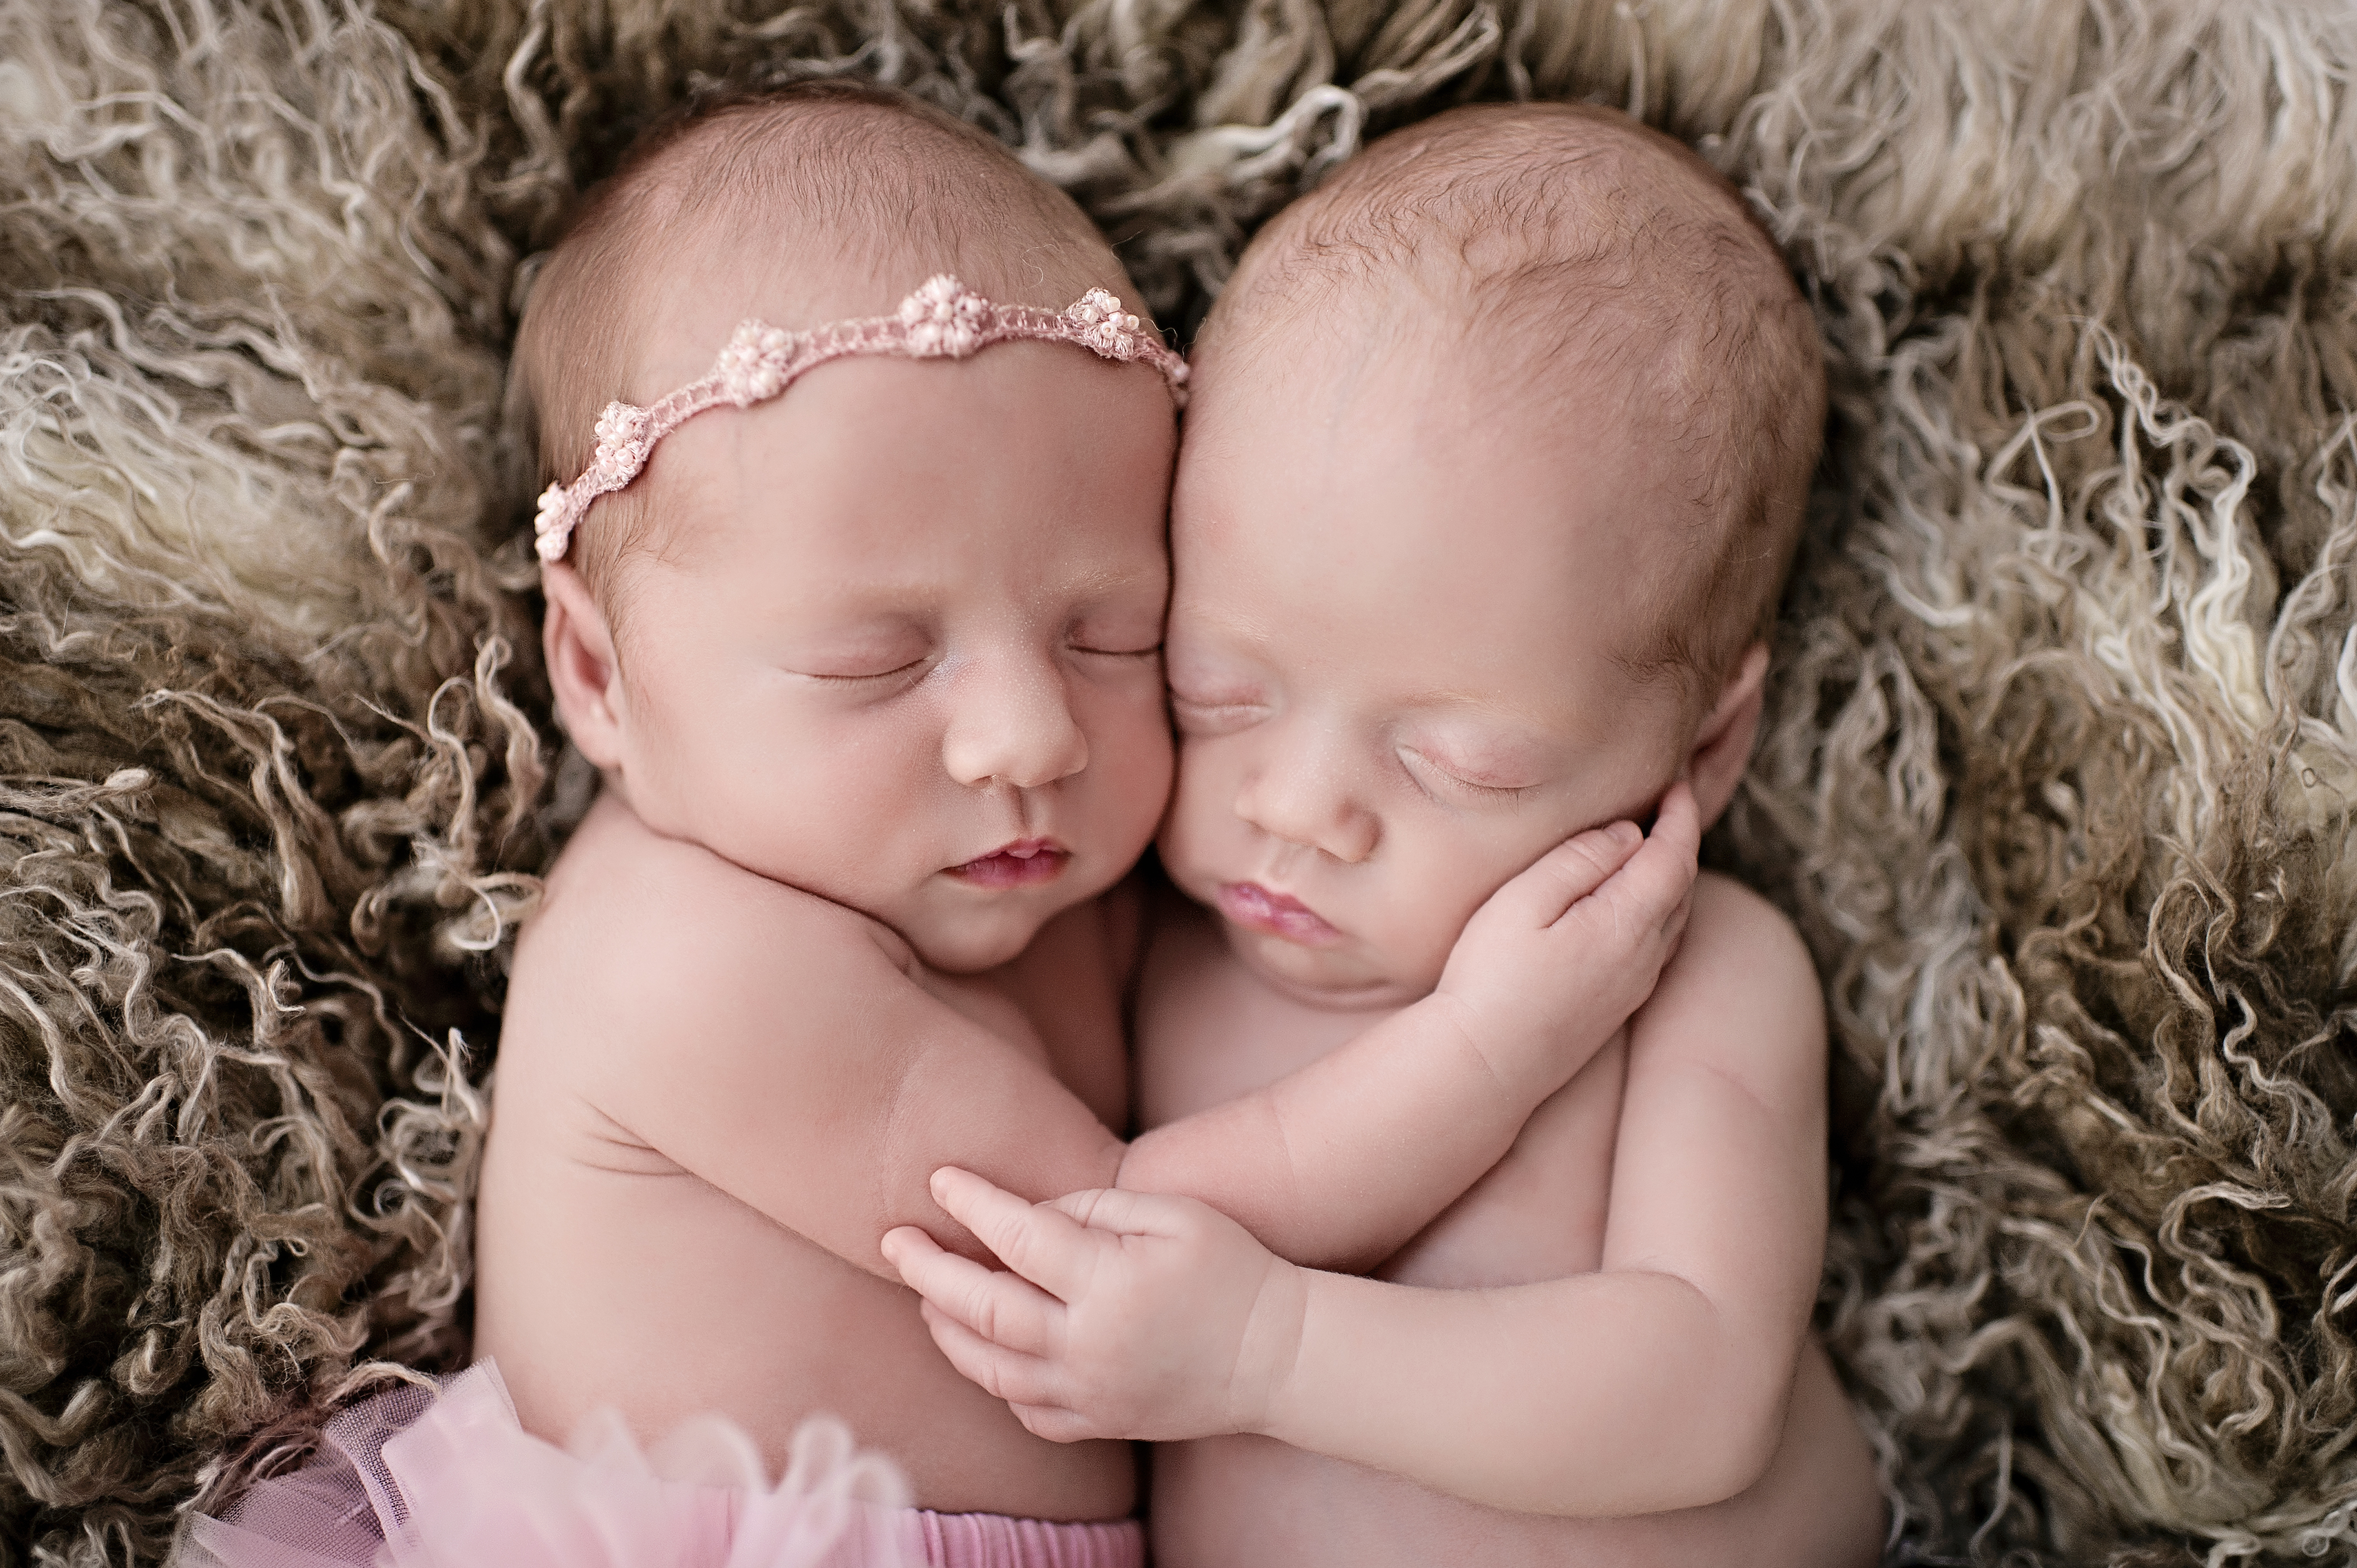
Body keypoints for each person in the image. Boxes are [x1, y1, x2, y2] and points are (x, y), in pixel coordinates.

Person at [179, 85, 1696, 1568]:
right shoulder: (683, 956)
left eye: (1112, 638)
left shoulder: (1081, 904)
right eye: (878, 662)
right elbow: (1122, 1245)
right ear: (595, 675)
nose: (1032, 734)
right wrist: (1492, 1046)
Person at [883, 102, 1888, 1567]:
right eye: (1216, 692)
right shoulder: (1129, 943)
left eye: (1455, 763)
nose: (1295, 809)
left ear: (1706, 745)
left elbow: (1701, 1396)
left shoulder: (1692, 972)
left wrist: (1269, 1348)